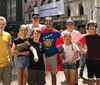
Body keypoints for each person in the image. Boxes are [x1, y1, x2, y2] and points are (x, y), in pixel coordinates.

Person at [78, 20, 100, 85]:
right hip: (89, 60)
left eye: (93, 26)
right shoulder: (86, 37)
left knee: (98, 78)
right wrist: (83, 51)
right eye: (90, 26)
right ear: (88, 28)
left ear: (96, 27)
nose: (91, 28)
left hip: (98, 60)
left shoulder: (99, 36)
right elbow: (78, 43)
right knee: (90, 78)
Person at [41, 17, 61, 85]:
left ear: (52, 23)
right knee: (43, 74)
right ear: (45, 22)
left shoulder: (55, 32)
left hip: (53, 55)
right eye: (47, 21)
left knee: (53, 74)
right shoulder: (41, 32)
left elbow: (65, 37)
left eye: (50, 21)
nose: (48, 22)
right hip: (43, 56)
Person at [62, 19, 82, 85]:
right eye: (68, 24)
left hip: (76, 57)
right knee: (69, 77)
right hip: (67, 56)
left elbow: (81, 41)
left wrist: (81, 50)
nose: (70, 25)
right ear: (66, 25)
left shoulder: (77, 33)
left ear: (73, 25)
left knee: (75, 72)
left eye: (71, 24)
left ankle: (76, 83)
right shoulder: (63, 33)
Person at [0, 16, 12, 85]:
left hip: (6, 64)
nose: (1, 25)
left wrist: (11, 61)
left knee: (7, 83)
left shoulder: (8, 35)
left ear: (5, 25)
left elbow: (9, 48)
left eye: (2, 24)